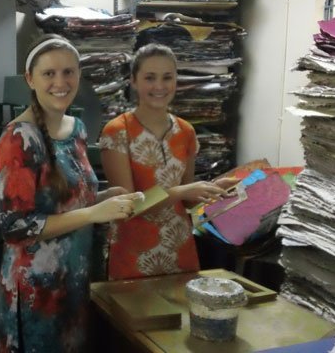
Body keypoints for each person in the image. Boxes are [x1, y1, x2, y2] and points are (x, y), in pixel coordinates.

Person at [0, 34, 142, 352]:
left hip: (73, 280)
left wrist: (105, 198)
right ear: (30, 79)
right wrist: (93, 213)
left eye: (68, 72)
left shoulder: (77, 129)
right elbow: (16, 228)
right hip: (37, 290)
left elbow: (71, 203)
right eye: (49, 73)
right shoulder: (18, 139)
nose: (60, 82)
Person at [99, 43, 237, 281]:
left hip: (179, 248)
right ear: (133, 81)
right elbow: (129, 206)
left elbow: (186, 201)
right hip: (135, 252)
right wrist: (183, 190)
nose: (159, 86)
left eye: (167, 77)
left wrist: (214, 187)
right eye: (150, 78)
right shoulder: (117, 132)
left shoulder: (186, 132)